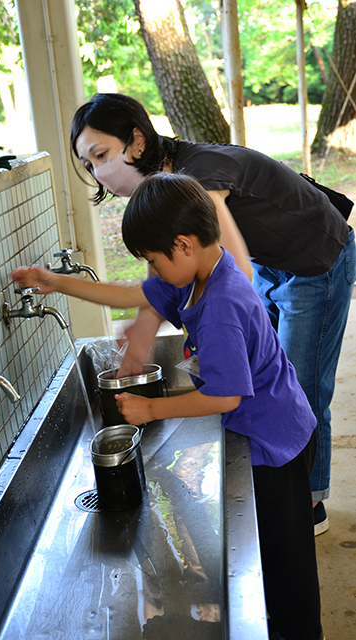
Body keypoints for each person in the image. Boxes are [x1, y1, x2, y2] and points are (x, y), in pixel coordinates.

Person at [11, 173, 324, 640]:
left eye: (153, 260)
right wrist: (55, 283)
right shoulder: (196, 276)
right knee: (272, 554)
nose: (151, 272)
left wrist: (151, 411)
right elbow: (131, 294)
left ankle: (298, 632)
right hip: (269, 429)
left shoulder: (219, 305)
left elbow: (226, 396)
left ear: (182, 244)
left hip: (277, 443)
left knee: (285, 560)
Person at [70, 92, 356, 533]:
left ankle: (309, 501)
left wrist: (205, 343)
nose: (98, 174)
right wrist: (146, 326)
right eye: (88, 165)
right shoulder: (165, 197)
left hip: (317, 258)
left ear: (138, 143)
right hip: (274, 264)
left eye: (101, 156)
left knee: (301, 383)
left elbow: (234, 277)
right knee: (274, 375)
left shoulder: (196, 180)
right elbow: (169, 276)